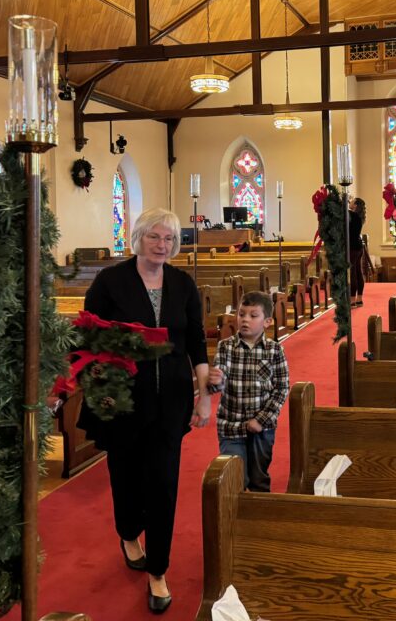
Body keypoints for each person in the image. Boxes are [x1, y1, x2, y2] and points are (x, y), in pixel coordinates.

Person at [79, 208, 210, 614]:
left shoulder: (182, 284)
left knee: (164, 485)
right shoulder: (110, 282)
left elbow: (197, 344)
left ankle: (158, 571)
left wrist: (204, 394)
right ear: (138, 238)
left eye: (169, 239)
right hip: (122, 400)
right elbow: (88, 336)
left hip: (171, 399)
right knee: (125, 476)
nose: (162, 245)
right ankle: (128, 532)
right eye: (155, 237)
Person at [207, 291, 289, 492]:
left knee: (258, 479)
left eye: (253, 316)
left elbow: (281, 388)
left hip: (262, 430)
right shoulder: (225, 347)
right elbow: (219, 381)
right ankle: (234, 521)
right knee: (234, 480)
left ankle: (258, 520)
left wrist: (261, 420)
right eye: (242, 314)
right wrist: (215, 381)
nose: (245, 320)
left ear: (267, 321)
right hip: (231, 426)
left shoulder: (274, 350)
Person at [348, 197, 367, 306]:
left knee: (353, 272)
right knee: (358, 272)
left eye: (352, 201)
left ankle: (352, 300)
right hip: (358, 246)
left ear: (355, 205)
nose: (350, 202)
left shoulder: (353, 215)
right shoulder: (359, 216)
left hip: (353, 247)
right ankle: (359, 299)